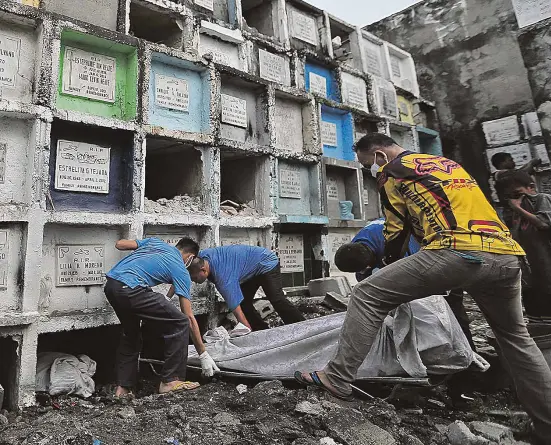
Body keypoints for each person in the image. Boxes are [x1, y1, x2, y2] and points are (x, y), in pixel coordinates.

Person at [296, 134, 551, 444]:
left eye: (368, 166)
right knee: (516, 339)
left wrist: (387, 267)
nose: (371, 172)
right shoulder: (447, 164)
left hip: (457, 250)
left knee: (367, 295)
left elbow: (395, 231)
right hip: (506, 255)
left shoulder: (394, 171)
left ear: (378, 155)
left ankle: (336, 378)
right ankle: (547, 426)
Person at [335, 218, 476, 351]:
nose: (362, 271)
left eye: (365, 268)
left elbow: (423, 280)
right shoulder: (355, 249)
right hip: (419, 258)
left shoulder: (399, 246)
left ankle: (467, 358)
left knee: (451, 316)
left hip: (445, 261)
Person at [104, 237, 217, 397]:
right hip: (132, 289)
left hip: (112, 286)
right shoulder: (180, 268)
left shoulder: (155, 242)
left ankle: (123, 389)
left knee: (132, 334)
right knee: (180, 323)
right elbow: (189, 317)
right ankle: (171, 381)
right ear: (190, 257)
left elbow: (119, 243)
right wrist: (203, 354)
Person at [187, 244, 305, 331]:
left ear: (203, 270)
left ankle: (303, 327)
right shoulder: (201, 257)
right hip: (251, 270)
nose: (195, 282)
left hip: (266, 262)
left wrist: (246, 333)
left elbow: (239, 316)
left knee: (276, 299)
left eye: (195, 278)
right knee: (244, 303)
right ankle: (262, 331)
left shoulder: (224, 280)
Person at [499, 170, 551, 324]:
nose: (515, 199)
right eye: (511, 196)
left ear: (531, 187)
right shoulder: (517, 210)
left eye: (518, 193)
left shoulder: (541, 199)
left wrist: (518, 208)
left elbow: (543, 223)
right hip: (533, 266)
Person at [490, 152, 541, 223]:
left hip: (520, 211)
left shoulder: (510, 174)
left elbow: (520, 172)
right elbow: (519, 173)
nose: (513, 162)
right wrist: (531, 164)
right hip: (514, 213)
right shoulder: (500, 174)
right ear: (502, 163)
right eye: (510, 160)